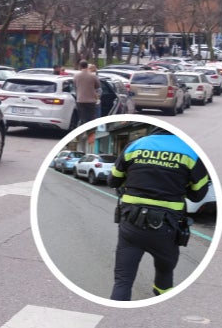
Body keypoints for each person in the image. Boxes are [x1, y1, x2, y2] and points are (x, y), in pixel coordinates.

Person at [107, 128, 210, 301]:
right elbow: (198, 193)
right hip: (167, 228)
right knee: (165, 274)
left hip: (131, 225)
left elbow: (113, 180)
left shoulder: (135, 146)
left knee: (123, 282)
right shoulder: (190, 150)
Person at [73, 60, 101, 125]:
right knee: (91, 119)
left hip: (80, 100)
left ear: (80, 66)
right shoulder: (93, 76)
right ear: (87, 66)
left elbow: (75, 86)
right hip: (91, 101)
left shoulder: (76, 76)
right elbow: (98, 86)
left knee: (82, 118)